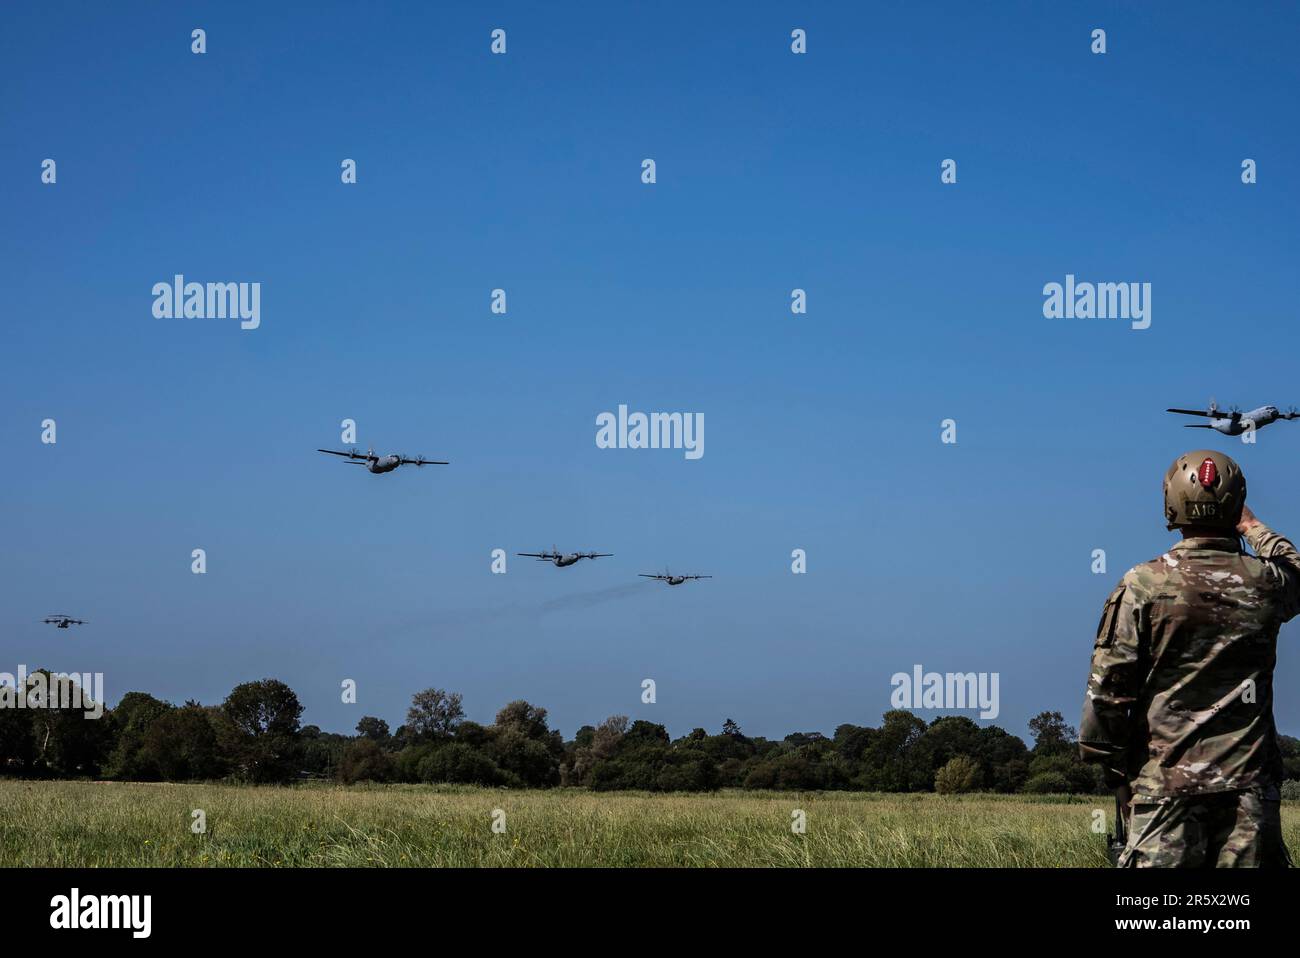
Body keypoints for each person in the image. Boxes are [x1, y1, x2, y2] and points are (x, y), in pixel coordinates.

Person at [1079, 449, 1298, 867]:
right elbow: (1295, 568)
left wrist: (1120, 781)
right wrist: (1252, 527)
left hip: (1163, 795)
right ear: (1236, 504)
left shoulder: (1142, 584)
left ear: (1171, 503)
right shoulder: (1266, 583)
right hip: (1249, 798)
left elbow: (1105, 698)